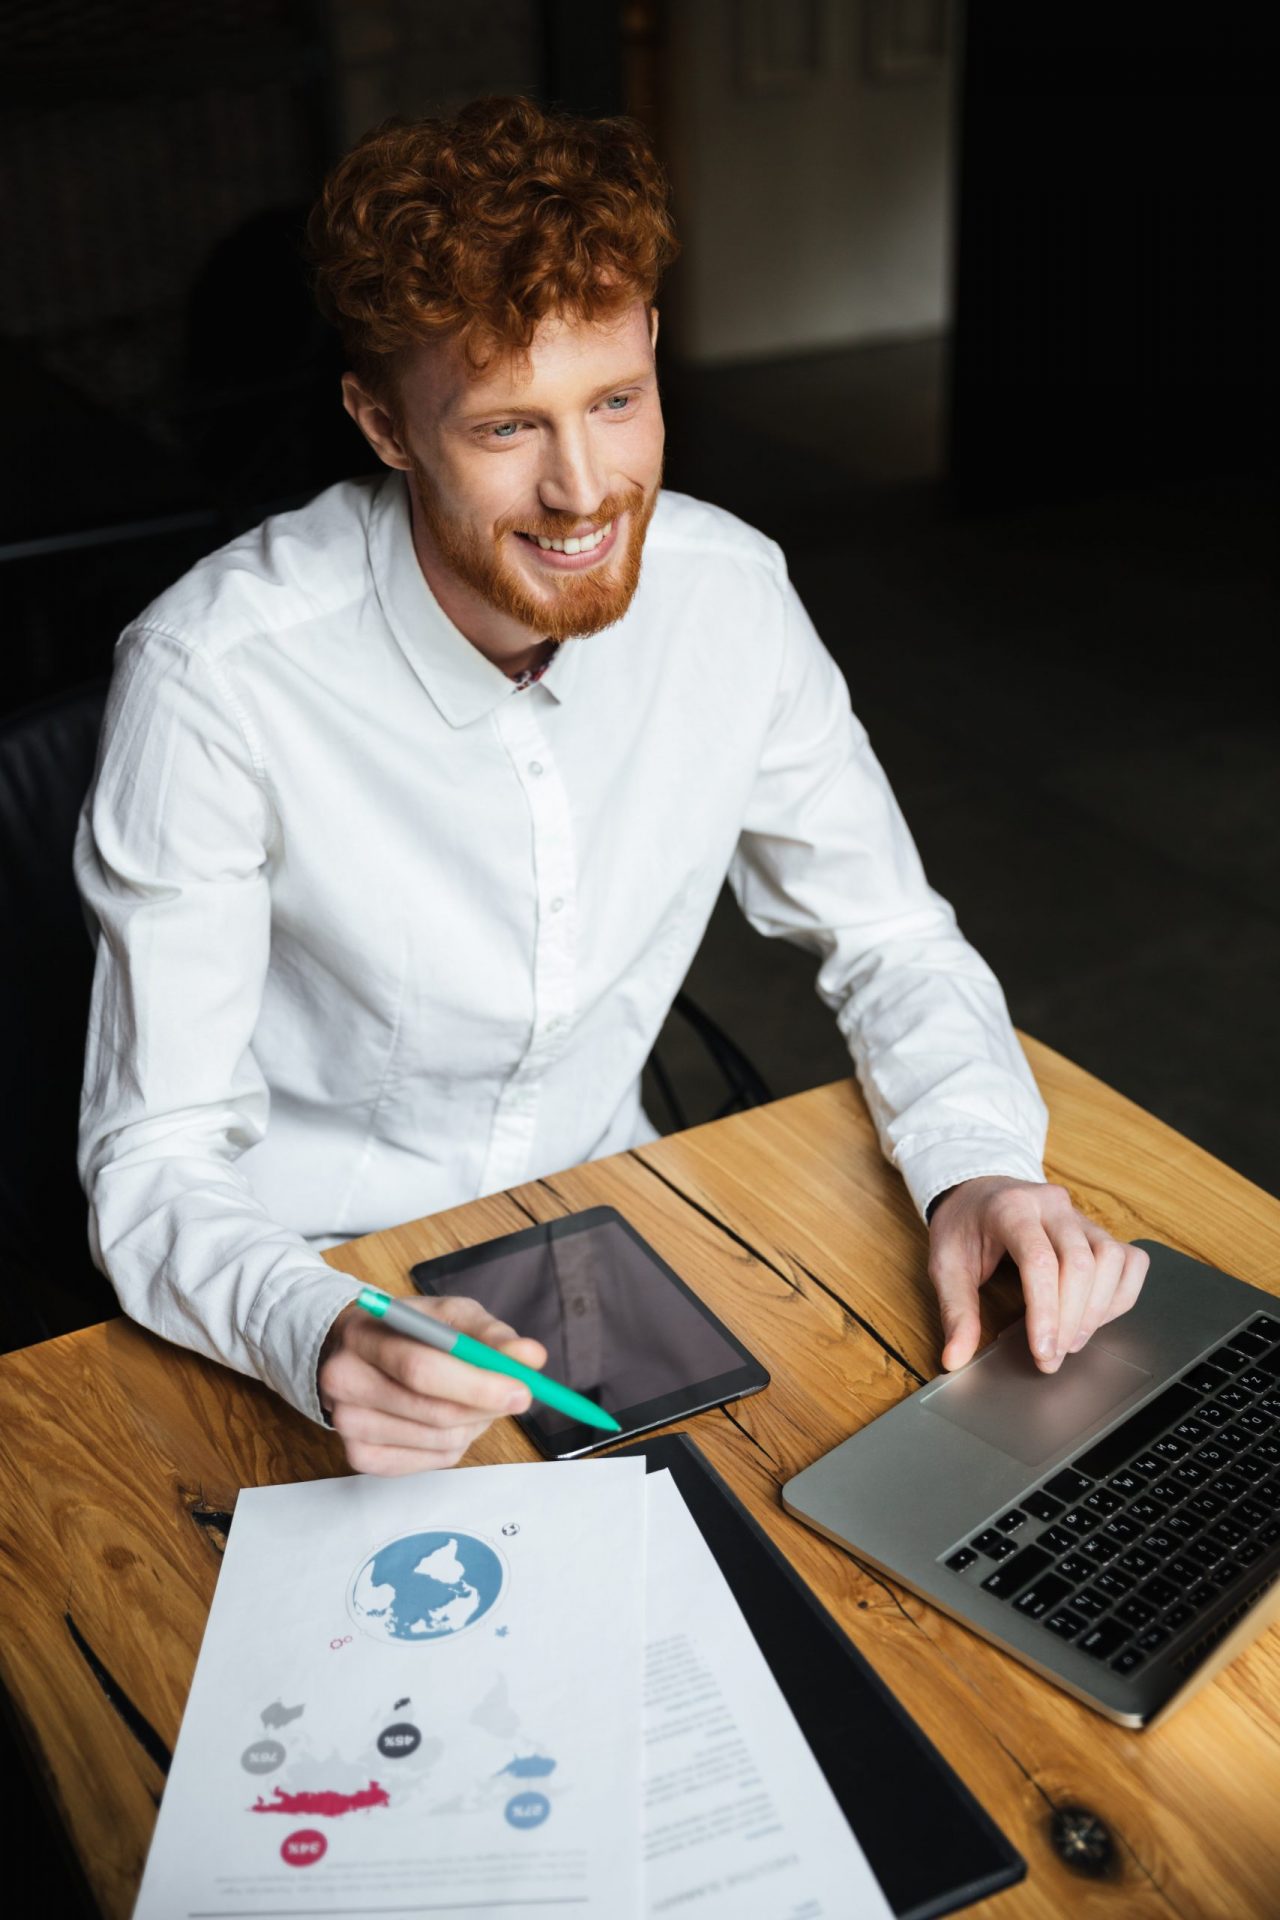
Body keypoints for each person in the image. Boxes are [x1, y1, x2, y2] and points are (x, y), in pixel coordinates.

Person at [76, 97, 1148, 1477]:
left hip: (609, 1230)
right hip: (315, 1278)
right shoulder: (215, 674)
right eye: (506, 427)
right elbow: (155, 1157)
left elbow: (888, 939)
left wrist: (982, 1168)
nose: (585, 490)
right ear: (384, 426)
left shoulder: (729, 594)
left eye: (618, 402)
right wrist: (322, 1328)